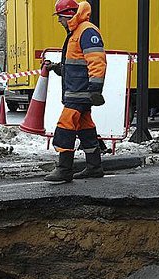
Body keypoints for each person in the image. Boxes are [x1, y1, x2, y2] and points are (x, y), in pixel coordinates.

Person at [44, 0, 107, 182]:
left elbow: (97, 61)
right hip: (78, 91)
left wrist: (95, 88)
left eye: (60, 18)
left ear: (68, 14)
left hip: (80, 92)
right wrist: (56, 67)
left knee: (65, 126)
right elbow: (75, 65)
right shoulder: (76, 32)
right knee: (85, 127)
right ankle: (94, 167)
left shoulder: (86, 31)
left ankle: (64, 169)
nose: (59, 22)